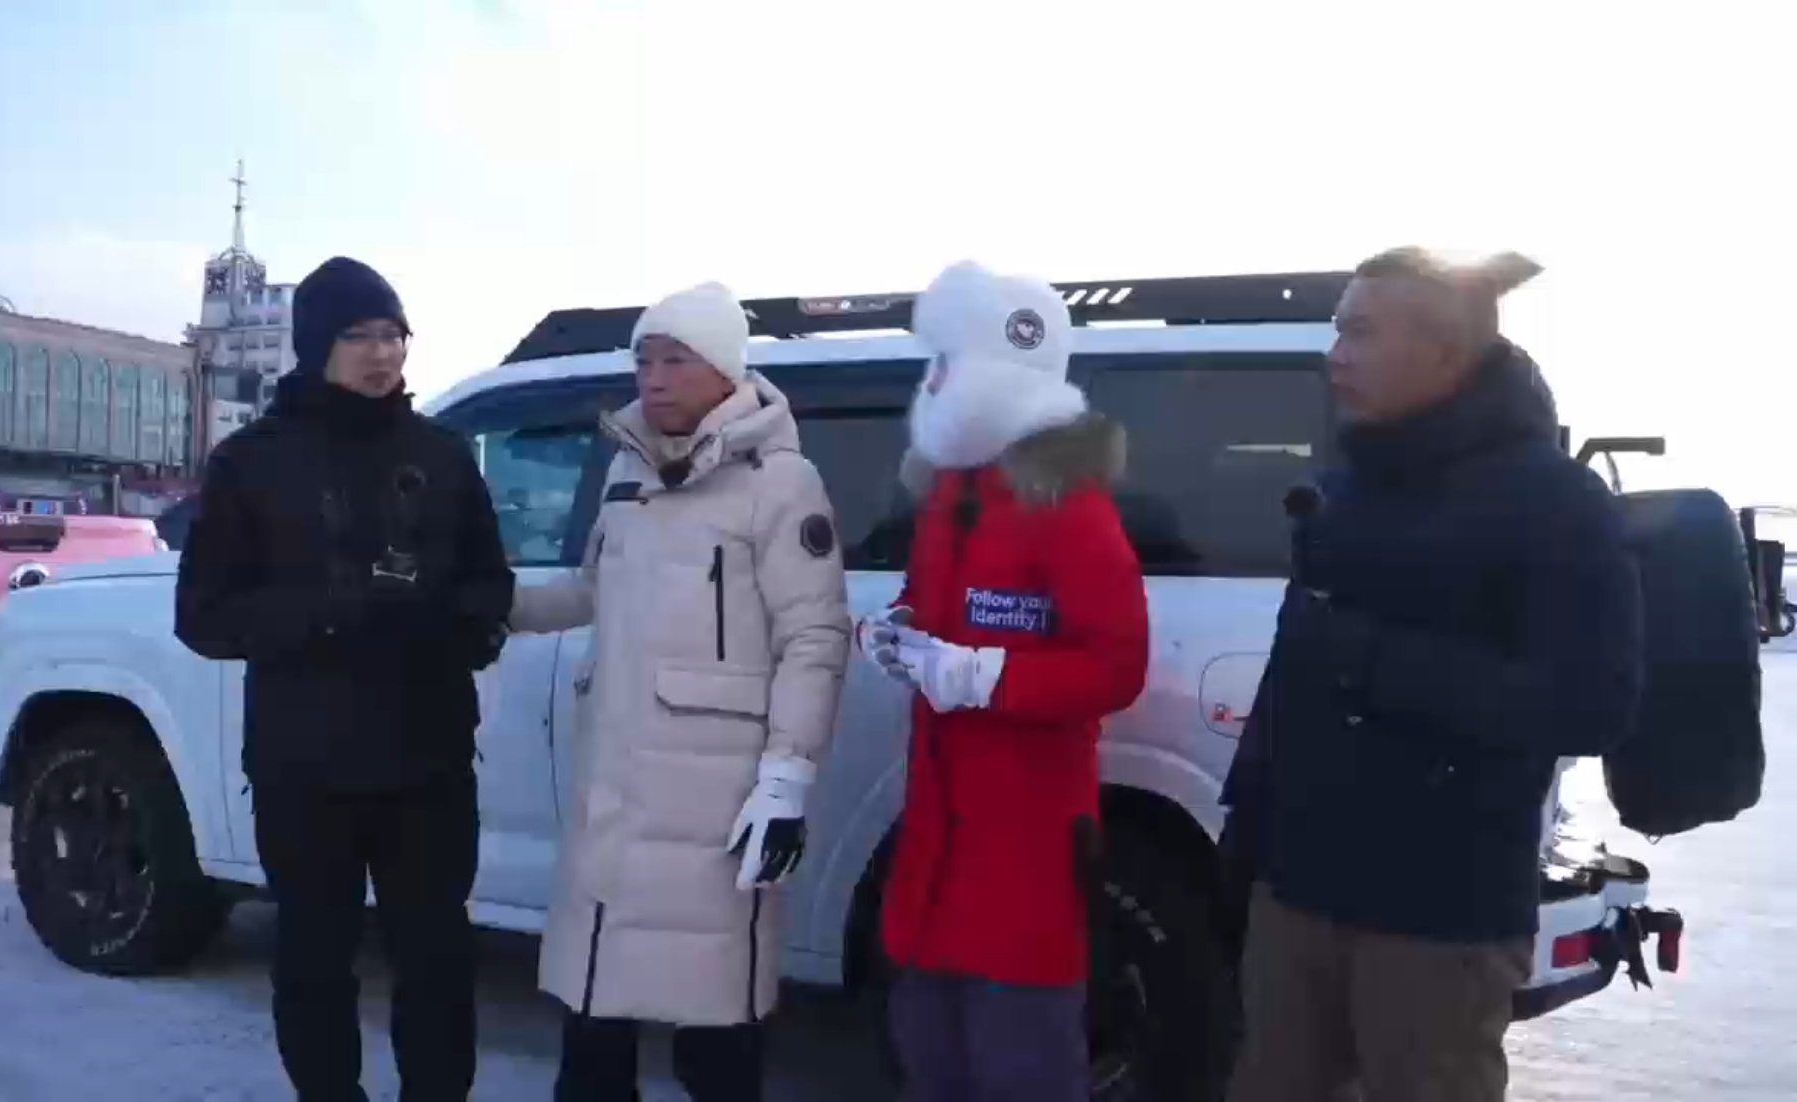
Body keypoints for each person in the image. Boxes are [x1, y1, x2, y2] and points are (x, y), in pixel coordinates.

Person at [1219, 247, 1643, 1102]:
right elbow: (1298, 664)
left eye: (1360, 333)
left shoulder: (1554, 502)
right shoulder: (1345, 485)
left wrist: (1372, 660)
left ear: (1445, 353)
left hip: (1437, 916)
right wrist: (1246, 831)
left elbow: (1589, 706)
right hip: (1297, 891)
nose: (1336, 356)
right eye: (1338, 331)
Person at [175, 256, 513, 1102]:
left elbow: (488, 578)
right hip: (305, 769)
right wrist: (326, 615)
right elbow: (203, 615)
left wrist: (463, 625)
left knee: (436, 960)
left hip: (427, 764)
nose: (381, 353)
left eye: (393, 334)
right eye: (359, 336)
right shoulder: (252, 462)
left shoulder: (441, 455)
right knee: (313, 962)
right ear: (316, 344)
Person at [505, 281, 851, 1101]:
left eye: (675, 361)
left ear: (724, 370)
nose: (653, 379)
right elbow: (593, 589)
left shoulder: (780, 482)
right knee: (594, 1024)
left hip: (714, 801)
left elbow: (814, 635)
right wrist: (496, 605)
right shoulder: (628, 469)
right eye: (644, 361)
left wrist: (786, 777)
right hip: (615, 789)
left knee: (715, 1033)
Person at [859, 260, 1152, 1101]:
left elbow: (1116, 664)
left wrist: (987, 676)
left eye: (945, 363)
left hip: (1023, 857)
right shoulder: (948, 495)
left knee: (1021, 1064)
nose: (932, 383)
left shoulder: (1067, 506)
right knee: (929, 1055)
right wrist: (901, 630)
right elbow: (934, 604)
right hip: (936, 850)